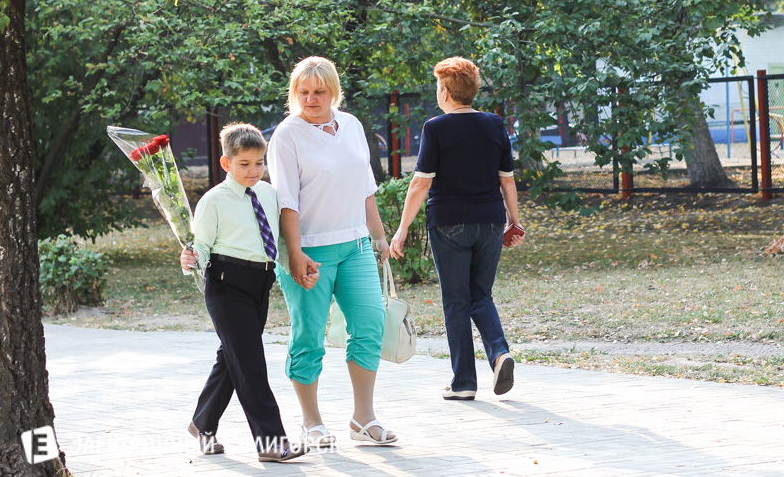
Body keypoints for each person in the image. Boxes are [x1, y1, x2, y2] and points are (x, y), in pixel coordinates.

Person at [267, 56, 398, 446]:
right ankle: (311, 421)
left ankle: (363, 419)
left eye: (319, 91)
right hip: (309, 252)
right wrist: (294, 254)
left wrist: (379, 237)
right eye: (303, 92)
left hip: (355, 245)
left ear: (334, 91)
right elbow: (286, 202)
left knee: (370, 326)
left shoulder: (352, 125)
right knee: (309, 336)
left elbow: (365, 188)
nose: (311, 99)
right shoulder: (287, 136)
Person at [391, 56, 525, 401]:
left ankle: (463, 381)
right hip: (491, 221)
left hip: (449, 222)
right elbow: (507, 180)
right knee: (481, 295)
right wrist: (514, 220)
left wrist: (402, 228)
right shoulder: (495, 125)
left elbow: (421, 184)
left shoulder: (436, 128)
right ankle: (499, 353)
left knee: (456, 302)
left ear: (446, 92)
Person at [179, 123, 308, 463]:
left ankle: (202, 424)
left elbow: (276, 240)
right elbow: (201, 247)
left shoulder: (269, 194)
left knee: (232, 359)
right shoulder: (213, 201)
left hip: (260, 283)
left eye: (259, 163)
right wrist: (189, 259)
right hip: (226, 285)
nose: (253, 170)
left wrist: (297, 265)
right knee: (250, 364)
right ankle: (271, 443)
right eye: (244, 164)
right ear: (226, 163)